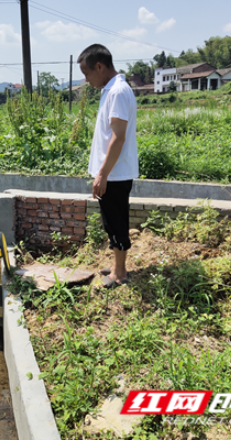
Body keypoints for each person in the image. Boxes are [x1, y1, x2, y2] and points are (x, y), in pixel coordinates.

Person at [77, 44, 138, 287]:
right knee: (110, 221)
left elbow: (118, 137)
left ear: (99, 66)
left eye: (87, 73)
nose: (87, 79)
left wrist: (102, 174)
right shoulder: (111, 90)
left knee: (116, 222)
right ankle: (116, 265)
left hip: (114, 173)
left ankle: (120, 273)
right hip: (112, 172)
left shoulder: (118, 92)